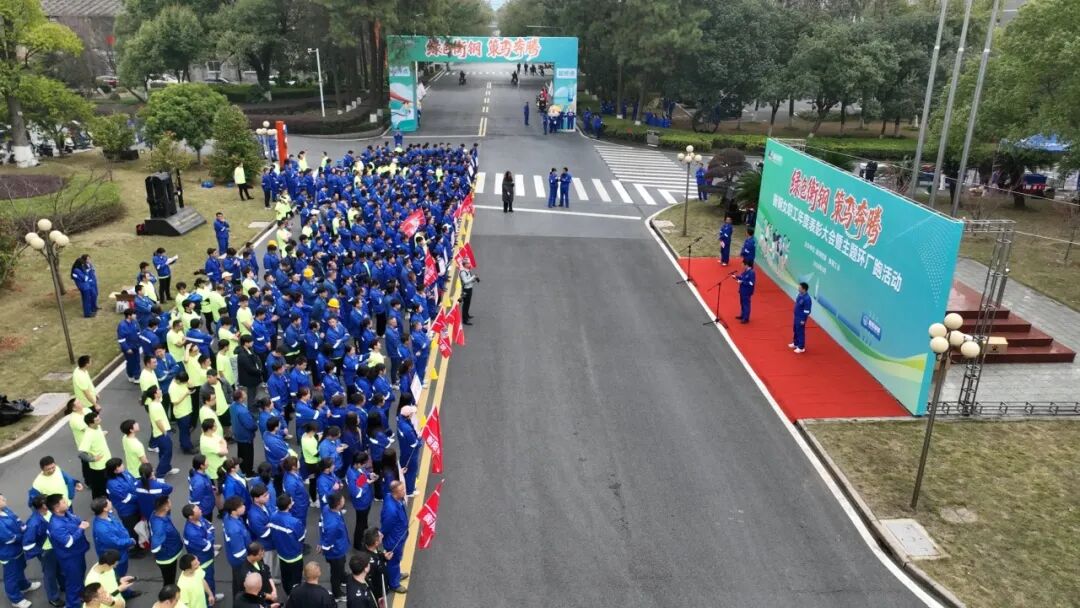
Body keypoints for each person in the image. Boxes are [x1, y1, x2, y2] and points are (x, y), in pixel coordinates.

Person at [45, 494, 90, 608]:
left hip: (78, 553)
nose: (67, 502)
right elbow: (68, 542)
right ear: (56, 508)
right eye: (63, 502)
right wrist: (81, 529)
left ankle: (80, 596)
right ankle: (72, 604)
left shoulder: (67, 513)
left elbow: (77, 520)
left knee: (79, 577)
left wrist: (81, 524)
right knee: (73, 583)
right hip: (70, 558)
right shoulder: (56, 526)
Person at [0, 493, 40, 608]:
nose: (4, 499)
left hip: (17, 549)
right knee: (11, 576)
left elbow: (17, 520)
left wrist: (24, 527)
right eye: (0, 499)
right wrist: (25, 536)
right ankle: (16, 599)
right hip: (8, 553)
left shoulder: (5, 510)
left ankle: (24, 586)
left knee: (20, 568)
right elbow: (9, 538)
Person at [22, 495, 61, 608]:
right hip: (47, 551)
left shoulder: (49, 513)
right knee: (50, 574)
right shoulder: (33, 523)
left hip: (56, 547)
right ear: (44, 506)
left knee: (60, 568)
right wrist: (41, 552)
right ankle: (53, 598)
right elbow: (27, 545)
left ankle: (63, 586)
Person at [181, 504, 222, 600]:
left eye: (199, 508)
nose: (200, 510)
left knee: (210, 579)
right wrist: (209, 535)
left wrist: (208, 535)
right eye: (197, 510)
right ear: (191, 516)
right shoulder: (192, 533)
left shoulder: (200, 518)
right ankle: (210, 600)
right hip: (203, 562)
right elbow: (207, 546)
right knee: (207, 582)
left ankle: (212, 596)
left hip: (208, 557)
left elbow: (211, 527)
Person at [90, 498, 135, 579]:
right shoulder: (102, 529)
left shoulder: (108, 516)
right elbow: (115, 543)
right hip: (115, 557)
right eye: (108, 502)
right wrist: (130, 541)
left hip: (121, 551)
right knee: (118, 576)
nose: (111, 502)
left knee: (122, 573)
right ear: (105, 509)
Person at [269, 494, 304, 594]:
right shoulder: (295, 522)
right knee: (296, 578)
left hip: (281, 553)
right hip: (294, 556)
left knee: (285, 576)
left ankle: (288, 593)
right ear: (289, 505)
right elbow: (301, 538)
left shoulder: (273, 516)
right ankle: (294, 596)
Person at [318, 493, 349, 600]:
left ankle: (343, 578)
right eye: (342, 499)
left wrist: (321, 541)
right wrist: (323, 544)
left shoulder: (326, 508)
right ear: (338, 505)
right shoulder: (333, 524)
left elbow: (321, 524)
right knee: (335, 572)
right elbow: (328, 543)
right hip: (336, 551)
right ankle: (337, 594)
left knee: (341, 565)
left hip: (340, 547)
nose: (344, 499)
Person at [379, 482, 408, 594]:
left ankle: (396, 574)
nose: (404, 491)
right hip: (394, 540)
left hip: (398, 535)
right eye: (402, 490)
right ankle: (394, 584)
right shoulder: (391, 510)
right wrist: (382, 536)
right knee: (393, 561)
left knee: (396, 560)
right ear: (395, 493)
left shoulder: (390, 497)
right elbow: (386, 527)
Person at [222, 497, 251, 600]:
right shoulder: (234, 529)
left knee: (237, 582)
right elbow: (239, 553)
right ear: (233, 511)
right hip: (240, 561)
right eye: (241, 506)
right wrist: (249, 560)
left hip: (234, 558)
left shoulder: (229, 517)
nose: (244, 507)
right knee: (241, 584)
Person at [346, 453, 376, 551]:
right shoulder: (351, 475)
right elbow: (356, 493)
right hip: (361, 503)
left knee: (363, 521)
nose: (365, 465)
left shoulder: (357, 468)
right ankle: (357, 544)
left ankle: (365, 531)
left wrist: (369, 475)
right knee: (360, 523)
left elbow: (363, 473)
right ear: (358, 463)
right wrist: (367, 483)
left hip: (366, 500)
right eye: (364, 464)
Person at [78, 411, 111, 499]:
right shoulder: (88, 435)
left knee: (106, 484)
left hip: (106, 461)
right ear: (91, 423)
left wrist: (102, 433)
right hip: (98, 467)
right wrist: (93, 459)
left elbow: (97, 436)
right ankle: (99, 502)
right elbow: (81, 453)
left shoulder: (98, 427)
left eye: (98, 418)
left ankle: (106, 500)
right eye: (97, 420)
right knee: (99, 487)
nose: (100, 420)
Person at [237, 336, 264, 409]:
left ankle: (254, 405)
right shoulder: (242, 355)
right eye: (251, 341)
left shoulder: (249, 349)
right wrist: (259, 371)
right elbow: (249, 368)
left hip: (254, 376)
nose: (253, 342)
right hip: (249, 378)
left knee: (254, 392)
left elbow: (255, 358)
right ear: (246, 343)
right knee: (251, 394)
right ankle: (251, 409)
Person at [117, 310, 141, 384]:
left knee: (137, 361)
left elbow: (138, 333)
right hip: (128, 348)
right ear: (129, 316)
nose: (135, 315)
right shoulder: (122, 326)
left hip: (136, 346)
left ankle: (137, 377)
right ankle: (131, 375)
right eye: (134, 314)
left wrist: (140, 343)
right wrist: (127, 348)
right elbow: (121, 339)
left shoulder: (135, 322)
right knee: (131, 362)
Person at [790, 282, 812, 354]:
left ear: (804, 289)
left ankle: (801, 347)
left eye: (800, 288)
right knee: (795, 330)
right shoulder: (800, 295)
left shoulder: (807, 299)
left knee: (800, 332)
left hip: (801, 318)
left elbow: (807, 311)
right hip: (796, 316)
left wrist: (803, 320)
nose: (798, 289)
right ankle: (795, 343)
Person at [734, 259, 756, 324]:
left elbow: (751, 283)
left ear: (746, 265)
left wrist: (742, 282)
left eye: (743, 264)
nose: (742, 265)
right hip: (742, 290)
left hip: (747, 291)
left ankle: (746, 318)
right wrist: (735, 277)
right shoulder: (745, 271)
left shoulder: (751, 273)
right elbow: (741, 277)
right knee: (742, 303)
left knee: (746, 304)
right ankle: (742, 315)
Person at [458, 259, 478, 325]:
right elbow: (465, 281)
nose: (469, 264)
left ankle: (467, 315)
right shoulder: (463, 272)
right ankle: (465, 320)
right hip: (466, 290)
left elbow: (469, 279)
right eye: (468, 263)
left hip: (469, 288)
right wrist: (473, 277)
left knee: (468, 303)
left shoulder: (467, 270)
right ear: (465, 265)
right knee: (465, 304)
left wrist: (473, 280)